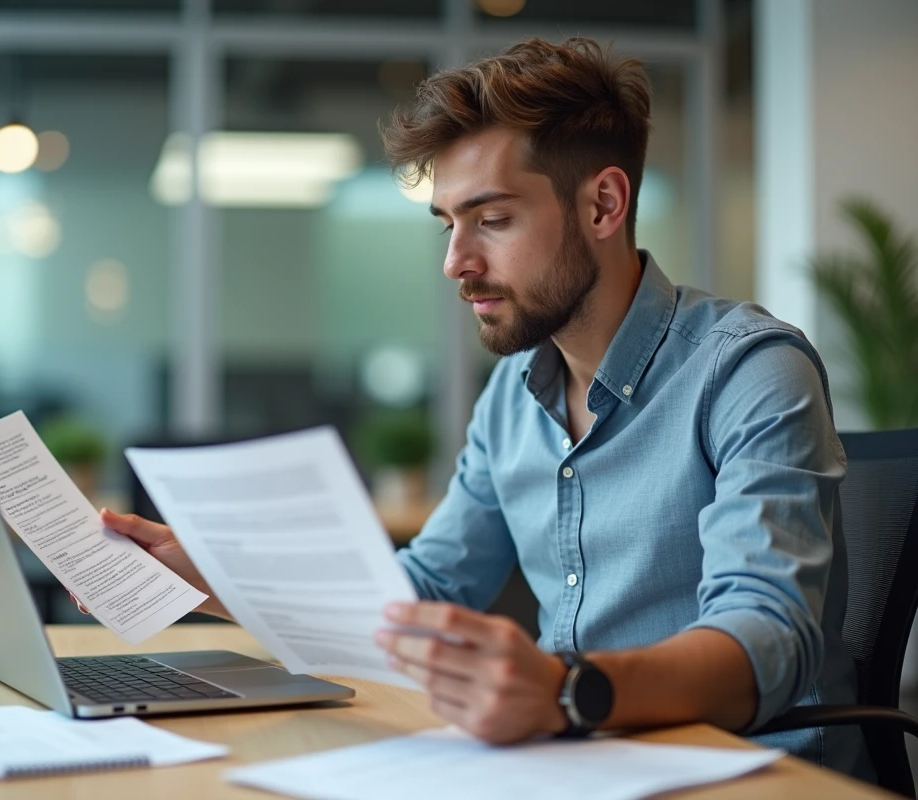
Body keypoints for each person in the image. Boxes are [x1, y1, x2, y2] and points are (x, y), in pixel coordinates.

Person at [85, 37, 871, 779]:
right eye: (449, 224)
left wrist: (563, 692)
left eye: (492, 220)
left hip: (746, 774)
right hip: (572, 765)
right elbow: (423, 592)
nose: (455, 262)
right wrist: (210, 578)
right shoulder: (512, 394)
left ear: (603, 205)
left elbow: (766, 638)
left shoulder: (749, 371)